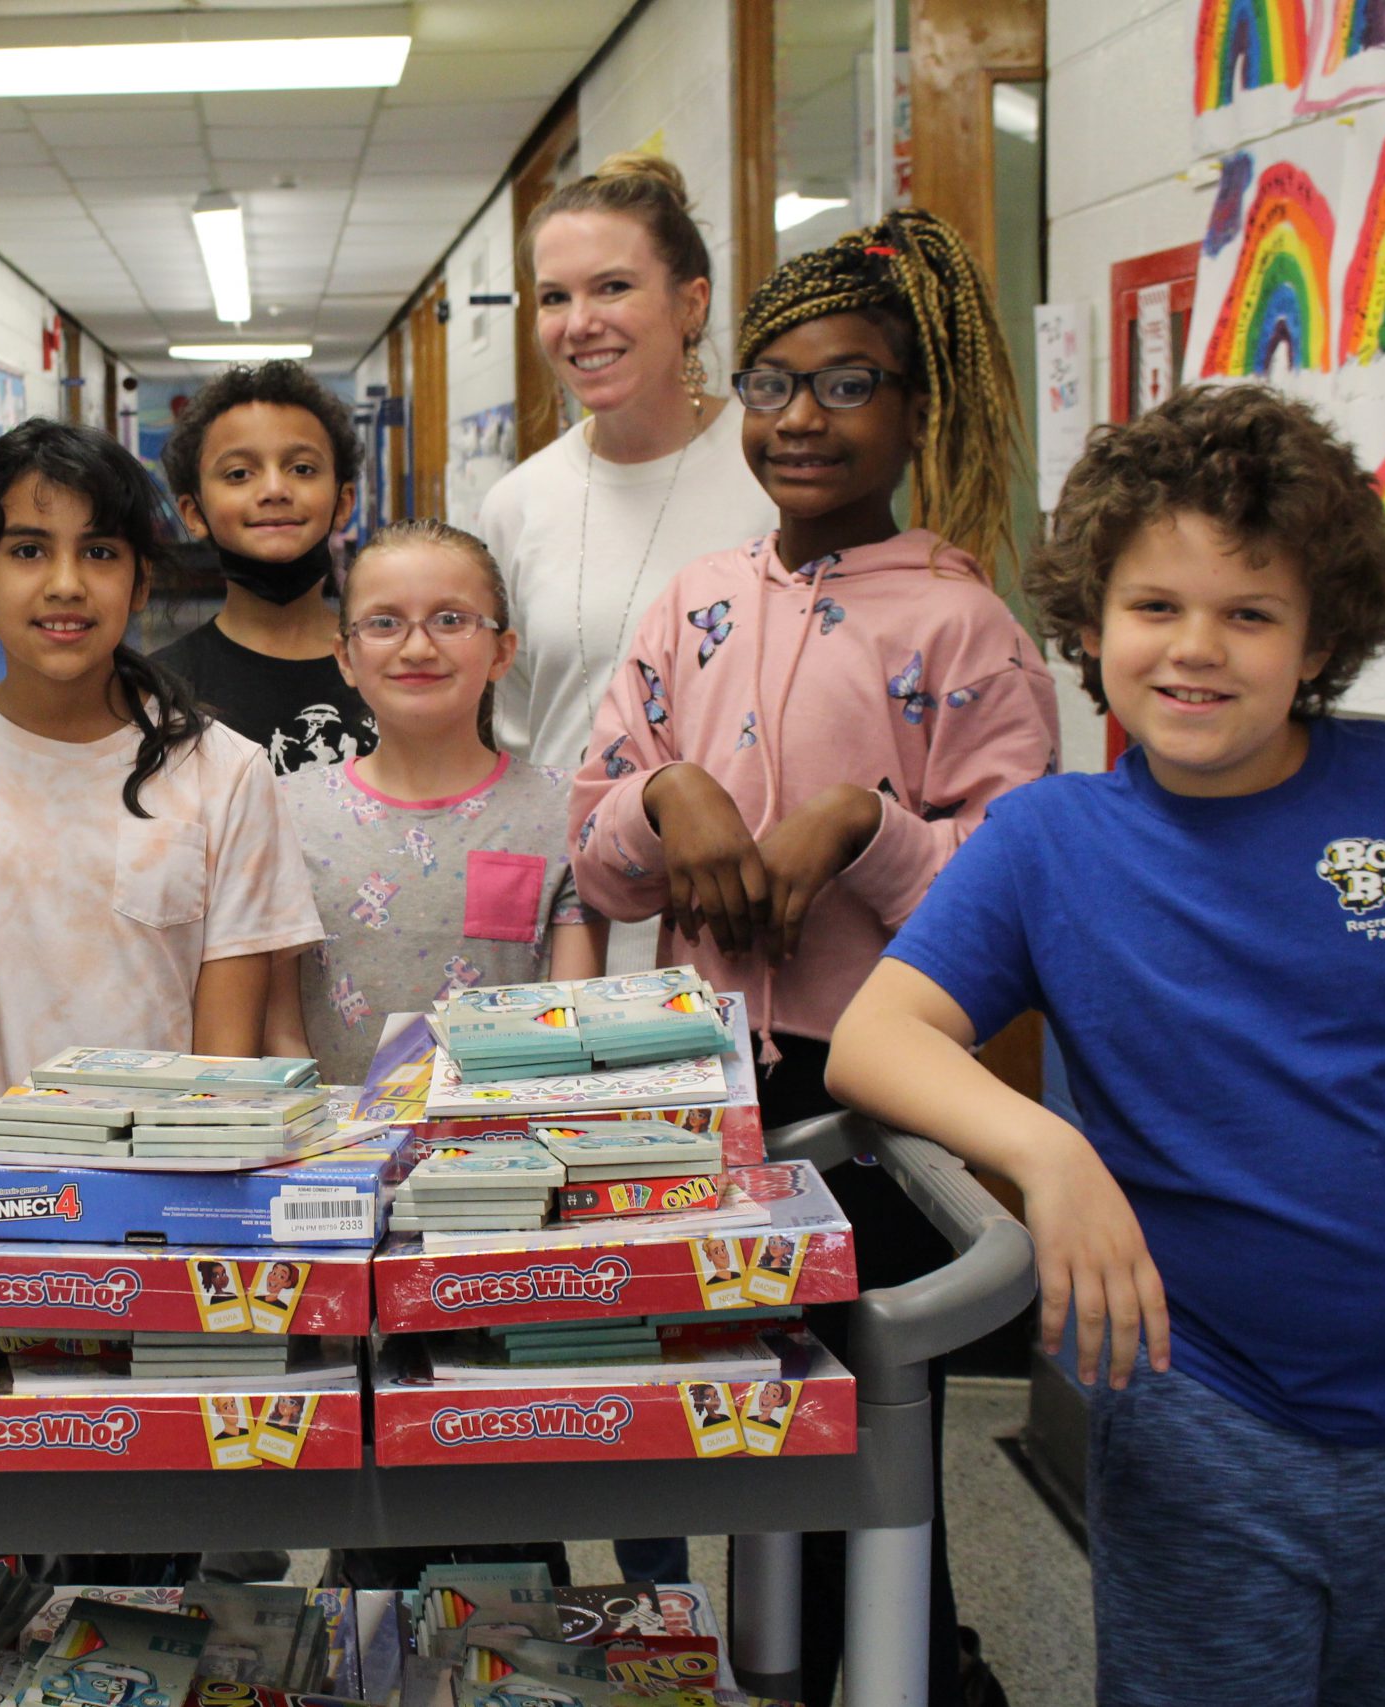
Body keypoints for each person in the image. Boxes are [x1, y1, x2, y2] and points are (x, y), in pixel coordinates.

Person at [827, 384, 1385, 1706]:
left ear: (1320, 639)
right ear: (1089, 623)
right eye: (1157, 607)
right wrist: (1049, 1147)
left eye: (1250, 612)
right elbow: (874, 1037)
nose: (1197, 647)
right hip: (1207, 1420)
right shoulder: (1050, 841)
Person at [566, 208, 1056, 1707]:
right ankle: (787, 1664)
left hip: (885, 1097)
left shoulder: (966, 626)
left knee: (875, 1417)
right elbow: (594, 831)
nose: (800, 419)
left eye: (849, 385)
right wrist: (672, 796)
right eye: (772, 381)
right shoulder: (694, 602)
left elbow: (1018, 891)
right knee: (755, 1410)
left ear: (916, 407)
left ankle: (923, 1666)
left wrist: (861, 825)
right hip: (711, 1092)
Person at [0, 418, 322, 1103]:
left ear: (141, 580)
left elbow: (226, 1067)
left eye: (99, 552)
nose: (65, 584)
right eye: (28, 550)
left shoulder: (225, 773)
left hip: (168, 1181)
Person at [264, 519, 603, 1083]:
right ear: (345, 656)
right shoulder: (284, 811)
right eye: (384, 623)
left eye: (451, 620)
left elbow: (573, 1023)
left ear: (502, 652)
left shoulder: (563, 811)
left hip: (509, 1148)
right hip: (339, 1151)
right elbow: (279, 1028)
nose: (418, 647)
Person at [477, 151, 775, 783]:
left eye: (613, 287)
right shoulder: (517, 504)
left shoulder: (774, 469)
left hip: (756, 861)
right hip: (570, 868)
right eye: (555, 297)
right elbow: (514, 728)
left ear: (691, 304)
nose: (580, 324)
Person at [154, 360, 378, 773]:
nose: (275, 489)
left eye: (302, 469)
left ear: (343, 502)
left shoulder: (396, 666)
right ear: (193, 511)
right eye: (239, 473)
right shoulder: (158, 691)